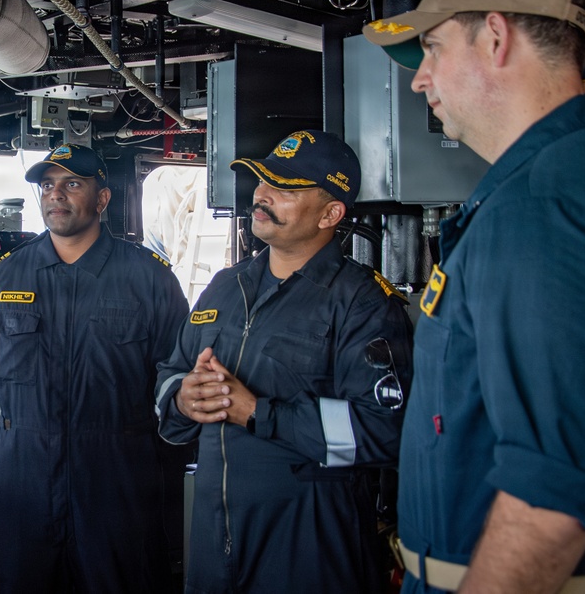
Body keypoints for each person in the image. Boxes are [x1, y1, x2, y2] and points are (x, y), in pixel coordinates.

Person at [363, 0, 585, 593]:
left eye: (432, 49)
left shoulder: (541, 203)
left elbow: (551, 499)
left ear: (495, 37)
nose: (418, 78)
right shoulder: (564, 177)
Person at [155, 130, 413, 593]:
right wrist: (181, 399)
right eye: (261, 180)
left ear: (331, 213)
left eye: (286, 187)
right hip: (215, 540)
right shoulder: (222, 287)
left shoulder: (363, 302)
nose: (262, 194)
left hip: (310, 543)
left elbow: (384, 432)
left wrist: (257, 413)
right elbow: (169, 373)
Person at [0, 143, 190, 593]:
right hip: (25, 477)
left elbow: (174, 379)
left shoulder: (150, 279)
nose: (56, 194)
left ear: (103, 199)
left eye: (72, 183)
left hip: (116, 480)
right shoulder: (5, 276)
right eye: (48, 185)